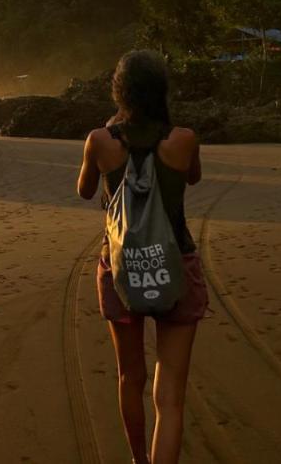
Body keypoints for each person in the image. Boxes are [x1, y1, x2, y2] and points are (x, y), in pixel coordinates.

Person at [76, 50, 206, 464]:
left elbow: (84, 190)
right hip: (176, 263)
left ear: (120, 91)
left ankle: (138, 459)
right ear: (161, 90)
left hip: (121, 268)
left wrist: (111, 130)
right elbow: (193, 177)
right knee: (171, 396)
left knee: (129, 377)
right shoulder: (183, 139)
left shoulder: (100, 140)